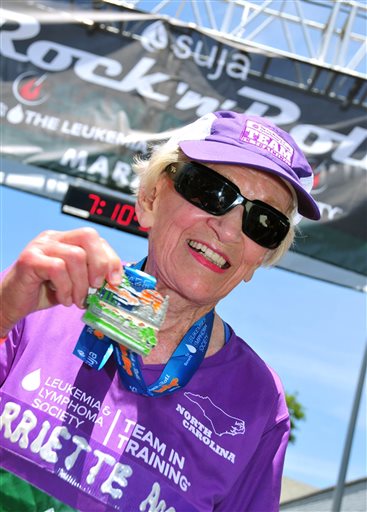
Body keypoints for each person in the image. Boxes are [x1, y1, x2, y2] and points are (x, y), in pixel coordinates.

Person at [0, 111, 320, 512]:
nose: (230, 229)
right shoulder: (36, 301)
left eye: (263, 222)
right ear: (150, 198)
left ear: (259, 260)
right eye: (211, 191)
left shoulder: (259, 402)